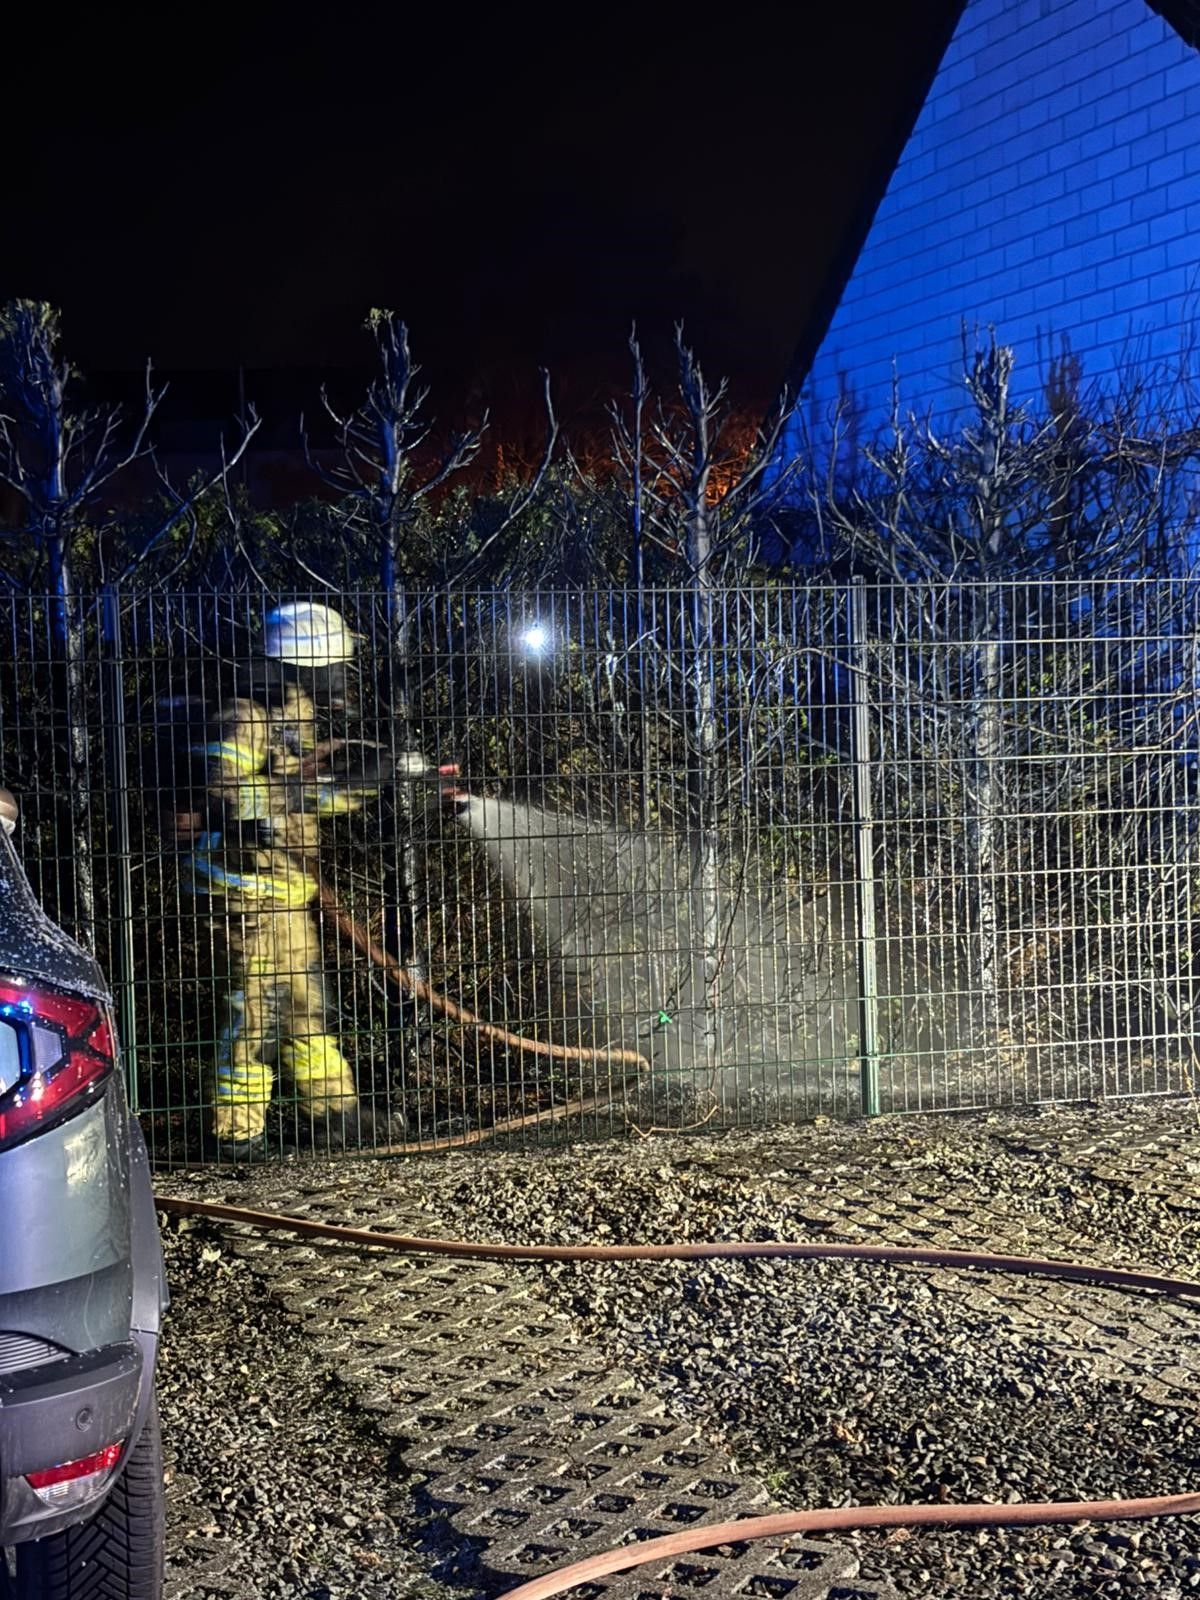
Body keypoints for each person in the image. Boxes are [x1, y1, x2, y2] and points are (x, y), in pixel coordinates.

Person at [169, 601, 447, 1159]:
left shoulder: (294, 708)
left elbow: (309, 786)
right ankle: (237, 1137)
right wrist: (306, 791)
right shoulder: (242, 716)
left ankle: (336, 1115)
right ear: (307, 661)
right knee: (251, 1018)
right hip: (239, 894)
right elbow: (221, 796)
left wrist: (389, 772)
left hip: (285, 892)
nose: (341, 677)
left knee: (304, 1009)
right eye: (335, 664)